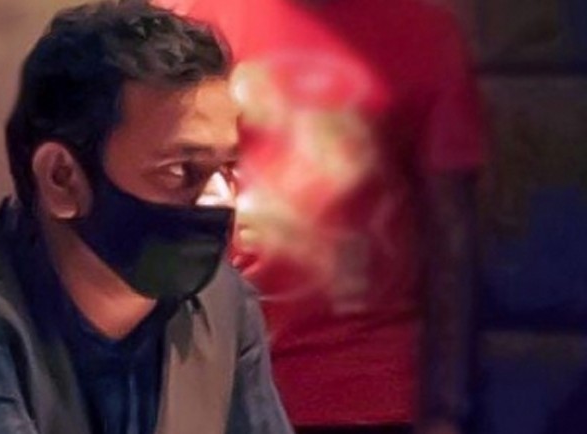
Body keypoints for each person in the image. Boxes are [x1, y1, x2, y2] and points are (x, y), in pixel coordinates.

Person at [0, 2, 293, 433]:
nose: (219, 200)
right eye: (178, 171)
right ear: (61, 178)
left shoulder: (222, 306)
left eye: (227, 170)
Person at [159, 0, 485, 433]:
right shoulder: (185, 20)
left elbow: (451, 231)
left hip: (368, 388)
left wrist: (446, 410)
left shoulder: (422, 30)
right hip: (213, 378)